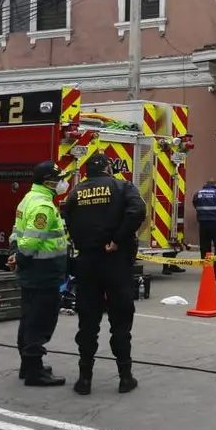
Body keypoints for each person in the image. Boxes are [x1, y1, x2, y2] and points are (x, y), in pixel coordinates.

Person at [63, 153, 147, 395]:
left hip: (87, 262)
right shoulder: (122, 187)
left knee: (88, 322)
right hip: (116, 262)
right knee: (120, 322)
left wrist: (85, 242)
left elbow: (68, 219)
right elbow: (137, 211)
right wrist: (117, 239)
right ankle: (125, 377)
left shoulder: (76, 192)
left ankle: (84, 379)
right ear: (108, 168)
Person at [8, 161, 70, 387]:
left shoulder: (28, 199)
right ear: (48, 181)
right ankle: (35, 371)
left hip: (33, 271)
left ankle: (28, 365)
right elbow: (31, 241)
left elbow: (16, 233)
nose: (63, 183)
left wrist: (14, 255)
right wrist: (20, 258)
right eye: (59, 179)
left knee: (29, 318)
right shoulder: (43, 206)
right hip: (43, 272)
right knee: (40, 320)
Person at [192, 178, 216, 281]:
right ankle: (214, 271)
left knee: (205, 248)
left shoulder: (198, 194)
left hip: (203, 224)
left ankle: (207, 270)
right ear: (215, 184)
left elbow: (195, 205)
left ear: (206, 184)